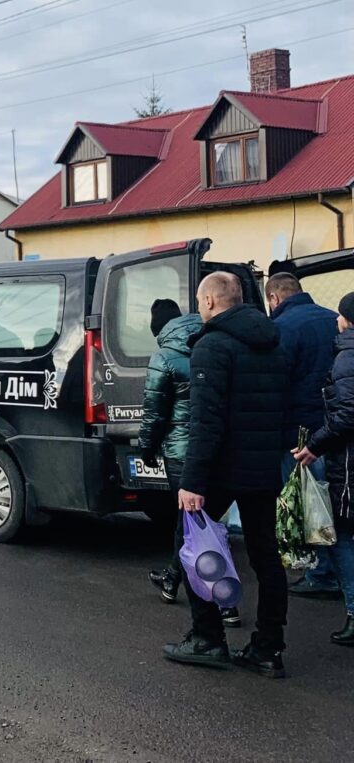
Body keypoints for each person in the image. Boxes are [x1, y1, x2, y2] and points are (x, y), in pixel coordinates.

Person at [162, 272, 290, 679]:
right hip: (262, 467)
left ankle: (208, 637)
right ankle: (268, 649)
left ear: (211, 302)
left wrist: (192, 481)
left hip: (221, 469)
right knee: (265, 556)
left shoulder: (212, 345)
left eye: (201, 302)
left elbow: (206, 420)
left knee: (190, 543)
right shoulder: (272, 341)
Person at [266, 272, 343, 601]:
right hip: (336, 428)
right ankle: (340, 570)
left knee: (310, 503)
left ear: (274, 298)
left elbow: (276, 382)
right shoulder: (333, 319)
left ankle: (320, 572)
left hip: (300, 434)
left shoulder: (282, 328)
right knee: (335, 501)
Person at [294, 290, 354, 646]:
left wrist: (314, 445)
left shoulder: (347, 356)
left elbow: (347, 415)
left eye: (341, 315)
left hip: (348, 465)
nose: (336, 320)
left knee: (342, 535)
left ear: (347, 320)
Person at [140, 300, 201, 602]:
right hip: (216, 447)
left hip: (181, 451)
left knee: (190, 521)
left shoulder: (164, 356)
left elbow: (154, 413)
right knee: (198, 519)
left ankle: (219, 598)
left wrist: (147, 449)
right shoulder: (211, 343)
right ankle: (172, 577)